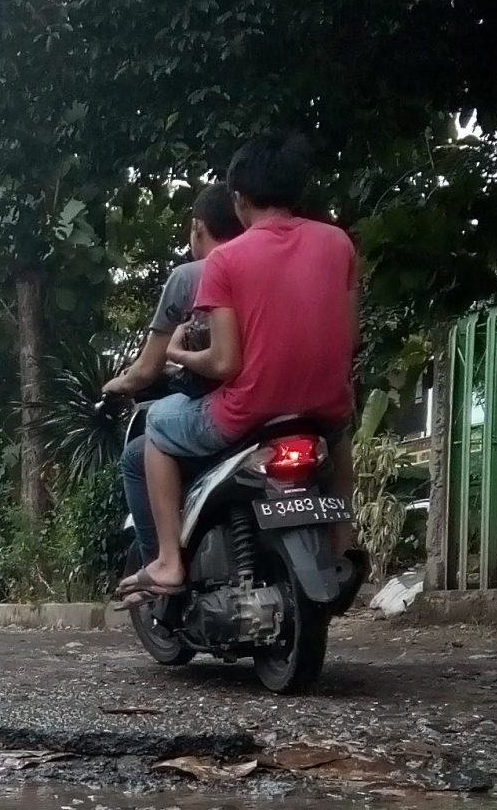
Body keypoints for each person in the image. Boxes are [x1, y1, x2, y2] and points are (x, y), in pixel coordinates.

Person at [117, 132, 359, 607]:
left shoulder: (226, 259)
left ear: (240, 199)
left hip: (248, 410)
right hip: (324, 407)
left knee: (157, 430)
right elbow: (349, 337)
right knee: (341, 436)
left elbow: (225, 361)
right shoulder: (338, 244)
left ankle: (167, 560)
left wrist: (180, 356)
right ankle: (343, 540)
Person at [108, 184, 243, 565]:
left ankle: (164, 565)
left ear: (198, 226)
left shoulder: (192, 276)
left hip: (233, 406)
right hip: (296, 401)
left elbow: (148, 369)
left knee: (142, 448)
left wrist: (118, 383)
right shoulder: (275, 264)